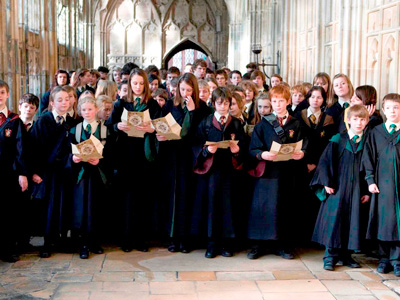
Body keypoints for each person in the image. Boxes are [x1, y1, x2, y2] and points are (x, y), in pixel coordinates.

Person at [247, 84, 307, 260]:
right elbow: (253, 148)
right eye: (274, 101)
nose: (278, 105)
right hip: (268, 174)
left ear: (288, 101)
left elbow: (305, 144)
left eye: (281, 101)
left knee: (285, 208)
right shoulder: (263, 124)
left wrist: (302, 153)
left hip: (288, 173)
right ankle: (258, 244)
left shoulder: (296, 123)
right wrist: (262, 154)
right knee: (263, 208)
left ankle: (283, 245)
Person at [154, 73, 211, 253]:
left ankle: (187, 238)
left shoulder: (203, 108)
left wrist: (192, 112)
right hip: (171, 156)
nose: (185, 92)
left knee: (188, 197)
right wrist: (161, 135)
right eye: (182, 89)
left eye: (188, 89)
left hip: (190, 157)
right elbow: (162, 124)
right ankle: (173, 237)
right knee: (172, 197)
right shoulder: (171, 105)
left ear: (194, 90)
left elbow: (200, 134)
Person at [105, 68, 159, 253]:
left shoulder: (152, 104)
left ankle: (141, 239)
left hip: (144, 156)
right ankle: (126, 238)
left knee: (143, 198)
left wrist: (153, 129)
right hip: (126, 155)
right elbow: (108, 126)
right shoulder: (121, 104)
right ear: (129, 85)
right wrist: (117, 125)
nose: (138, 87)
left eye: (141, 84)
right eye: (134, 83)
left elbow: (162, 126)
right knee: (126, 199)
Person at [312, 105, 370, 271]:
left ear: (366, 121)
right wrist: (326, 182)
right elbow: (325, 162)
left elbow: (370, 168)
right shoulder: (338, 139)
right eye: (355, 119)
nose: (358, 123)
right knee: (334, 220)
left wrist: (366, 191)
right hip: (337, 186)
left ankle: (346, 255)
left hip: (358, 187)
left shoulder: (367, 141)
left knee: (352, 220)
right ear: (349, 120)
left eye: (362, 119)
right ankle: (329, 256)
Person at [191, 87, 245, 258]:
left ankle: (227, 244)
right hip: (211, 172)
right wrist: (207, 152)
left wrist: (237, 151)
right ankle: (212, 243)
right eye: (220, 103)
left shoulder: (236, 123)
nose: (223, 107)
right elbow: (196, 145)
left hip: (230, 170)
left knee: (229, 206)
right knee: (212, 206)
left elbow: (244, 145)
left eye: (227, 103)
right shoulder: (206, 123)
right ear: (213, 103)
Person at [30, 86, 75, 258]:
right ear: (52, 103)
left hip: (65, 171)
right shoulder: (44, 120)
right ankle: (48, 242)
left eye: (67, 99)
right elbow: (34, 148)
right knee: (49, 207)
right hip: (47, 172)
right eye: (60, 100)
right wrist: (35, 171)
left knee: (64, 205)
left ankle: (63, 239)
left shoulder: (71, 122)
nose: (64, 103)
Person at [362, 93, 400, 276]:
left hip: (399, 186)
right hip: (382, 185)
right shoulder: (376, 132)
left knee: (398, 222)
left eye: (397, 108)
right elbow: (368, 158)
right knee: (383, 222)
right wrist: (370, 180)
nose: (392, 111)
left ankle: (397, 260)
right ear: (383, 110)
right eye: (389, 108)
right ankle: (384, 258)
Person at [69, 97, 107, 259]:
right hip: (81, 175)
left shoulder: (104, 130)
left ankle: (94, 241)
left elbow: (111, 152)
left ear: (96, 110)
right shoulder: (75, 130)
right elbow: (68, 150)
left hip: (97, 173)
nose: (87, 113)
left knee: (96, 207)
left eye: (90, 109)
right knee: (81, 208)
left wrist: (101, 160)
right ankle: (83, 243)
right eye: (83, 110)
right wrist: (73, 158)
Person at [0, 80, 28, 262]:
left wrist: (22, 173)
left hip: (8, 174)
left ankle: (7, 249)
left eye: (2, 92)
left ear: (8, 95)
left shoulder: (14, 121)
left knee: (7, 212)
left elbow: (20, 148)